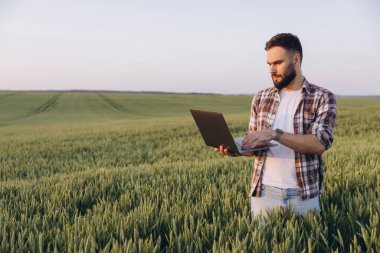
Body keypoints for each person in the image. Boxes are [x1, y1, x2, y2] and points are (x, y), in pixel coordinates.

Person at [216, 33, 336, 218]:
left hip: (304, 195)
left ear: (296, 59)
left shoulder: (322, 97)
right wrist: (236, 150)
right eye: (269, 64)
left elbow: (319, 144)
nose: (272, 69)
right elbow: (254, 145)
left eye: (278, 63)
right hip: (263, 194)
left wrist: (275, 134)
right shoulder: (261, 97)